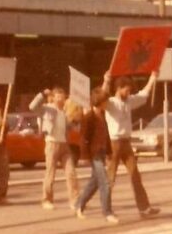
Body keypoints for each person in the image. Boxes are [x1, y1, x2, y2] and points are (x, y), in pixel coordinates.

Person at [102, 70, 160, 218]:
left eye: (129, 90)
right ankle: (107, 210)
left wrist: (152, 78)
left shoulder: (129, 101)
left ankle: (144, 208)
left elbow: (143, 94)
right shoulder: (111, 103)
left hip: (126, 143)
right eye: (126, 90)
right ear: (118, 88)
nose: (128, 93)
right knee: (110, 178)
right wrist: (106, 81)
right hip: (114, 143)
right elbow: (101, 98)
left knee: (135, 175)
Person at [29, 87, 79, 211]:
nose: (60, 98)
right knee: (50, 173)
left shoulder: (65, 112)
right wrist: (41, 94)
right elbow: (32, 106)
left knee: (71, 172)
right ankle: (46, 200)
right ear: (53, 97)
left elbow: (72, 126)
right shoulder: (48, 109)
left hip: (64, 144)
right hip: (52, 143)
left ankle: (75, 200)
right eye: (57, 95)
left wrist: (75, 120)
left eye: (62, 95)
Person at [75, 87, 118, 224]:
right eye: (106, 101)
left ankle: (79, 205)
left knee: (94, 183)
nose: (107, 103)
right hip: (94, 155)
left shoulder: (102, 115)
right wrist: (85, 157)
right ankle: (107, 212)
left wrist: (110, 152)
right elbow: (83, 138)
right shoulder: (89, 117)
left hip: (101, 152)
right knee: (105, 182)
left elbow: (106, 136)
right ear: (99, 102)